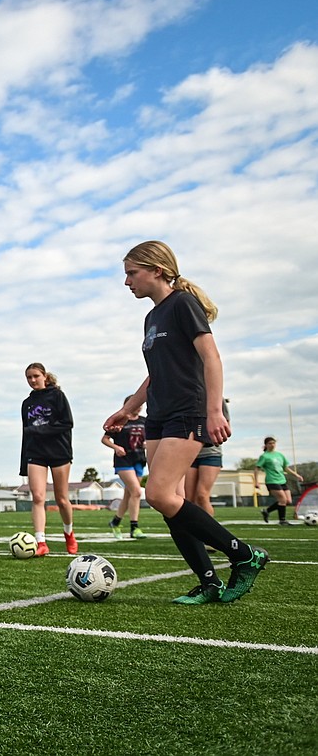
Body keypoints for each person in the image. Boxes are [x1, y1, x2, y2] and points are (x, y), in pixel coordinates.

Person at [104, 240, 268, 604]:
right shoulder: (152, 317)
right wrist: (129, 409)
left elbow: (211, 358)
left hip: (188, 411)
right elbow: (155, 373)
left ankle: (244, 555)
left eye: (132, 273)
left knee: (159, 494)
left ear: (157, 271)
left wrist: (214, 411)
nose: (127, 282)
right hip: (158, 415)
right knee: (170, 499)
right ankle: (209, 582)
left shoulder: (182, 303)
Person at [20, 363, 77, 556]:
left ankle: (69, 533)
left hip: (59, 452)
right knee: (37, 497)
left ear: (44, 376)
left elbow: (67, 423)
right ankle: (40, 542)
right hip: (35, 453)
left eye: (36, 376)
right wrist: (23, 463)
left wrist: (39, 430)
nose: (33, 380)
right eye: (29, 377)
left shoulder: (57, 396)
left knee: (62, 499)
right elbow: (25, 434)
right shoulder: (27, 403)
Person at [101, 398, 148, 539]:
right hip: (123, 460)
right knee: (137, 492)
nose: (138, 407)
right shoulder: (121, 420)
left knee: (129, 495)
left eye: (140, 405)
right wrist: (116, 447)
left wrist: (147, 443)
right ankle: (134, 527)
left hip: (139, 459)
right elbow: (105, 439)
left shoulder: (144, 421)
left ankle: (115, 522)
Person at [184, 398, 230, 518]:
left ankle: (210, 530)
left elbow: (226, 428)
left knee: (202, 495)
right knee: (189, 498)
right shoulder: (187, 396)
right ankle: (193, 531)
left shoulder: (218, 400)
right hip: (189, 453)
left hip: (211, 454)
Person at [255, 436, 301, 526]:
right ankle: (282, 520)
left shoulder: (279, 455)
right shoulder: (264, 456)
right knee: (282, 500)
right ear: (266, 445)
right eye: (270, 443)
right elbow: (257, 469)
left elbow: (285, 468)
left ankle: (267, 511)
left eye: (273, 443)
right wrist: (256, 482)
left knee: (288, 501)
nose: (272, 445)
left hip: (282, 480)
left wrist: (296, 475)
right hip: (272, 481)